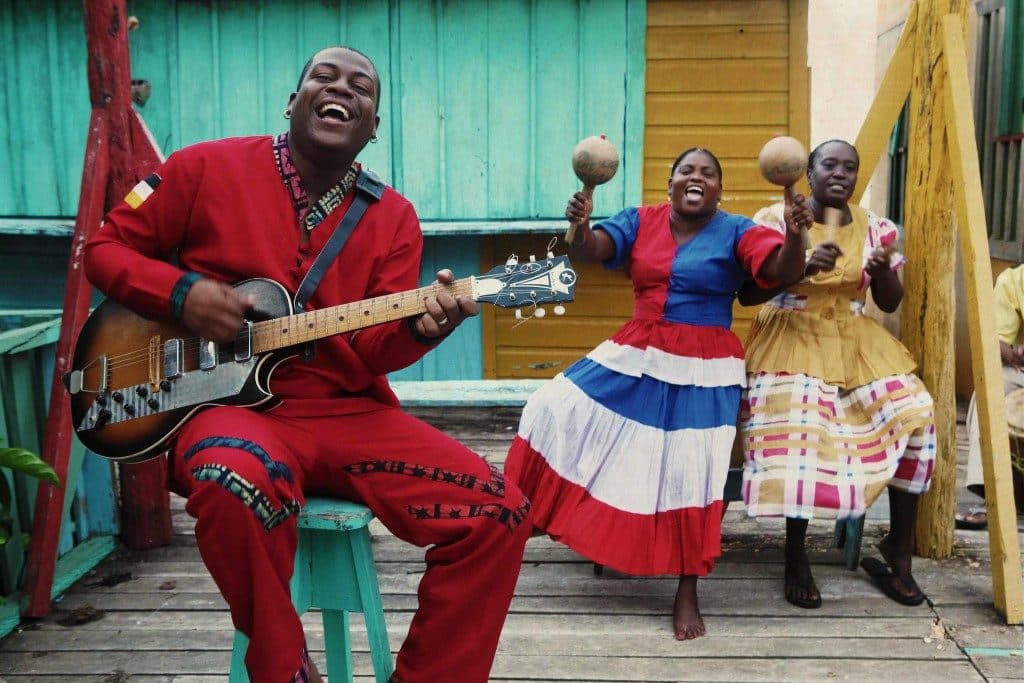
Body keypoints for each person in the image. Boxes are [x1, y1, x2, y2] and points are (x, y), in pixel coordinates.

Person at [83, 46, 532, 683]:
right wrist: (183, 296)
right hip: (227, 408)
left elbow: (378, 349)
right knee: (227, 477)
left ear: (372, 127)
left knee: (499, 513)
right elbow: (105, 248)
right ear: (293, 101)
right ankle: (283, 667)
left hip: (346, 413)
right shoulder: (202, 168)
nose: (341, 88)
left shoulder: (394, 218)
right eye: (323, 76)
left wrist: (424, 328)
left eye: (362, 87)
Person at [503, 147, 809, 640]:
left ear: (718, 190)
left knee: (694, 469)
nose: (697, 178)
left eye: (709, 173)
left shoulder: (736, 230)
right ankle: (534, 516)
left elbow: (782, 269)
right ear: (669, 184)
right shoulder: (641, 220)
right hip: (640, 345)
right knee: (550, 408)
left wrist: (796, 234)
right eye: (687, 170)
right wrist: (580, 226)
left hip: (706, 362)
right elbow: (594, 248)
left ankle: (686, 591)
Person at [738, 139, 936, 610]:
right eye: (829, 164)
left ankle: (898, 551)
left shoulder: (877, 230)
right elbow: (747, 293)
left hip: (854, 340)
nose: (840, 173)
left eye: (850, 166)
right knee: (804, 422)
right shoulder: (774, 218)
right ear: (809, 172)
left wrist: (884, 268)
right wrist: (801, 265)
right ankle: (795, 554)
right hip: (791, 333)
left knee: (918, 414)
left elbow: (888, 302)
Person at [959, 263, 1024, 529]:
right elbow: (994, 340)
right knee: (990, 389)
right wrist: (1012, 353)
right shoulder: (1014, 281)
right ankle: (992, 498)